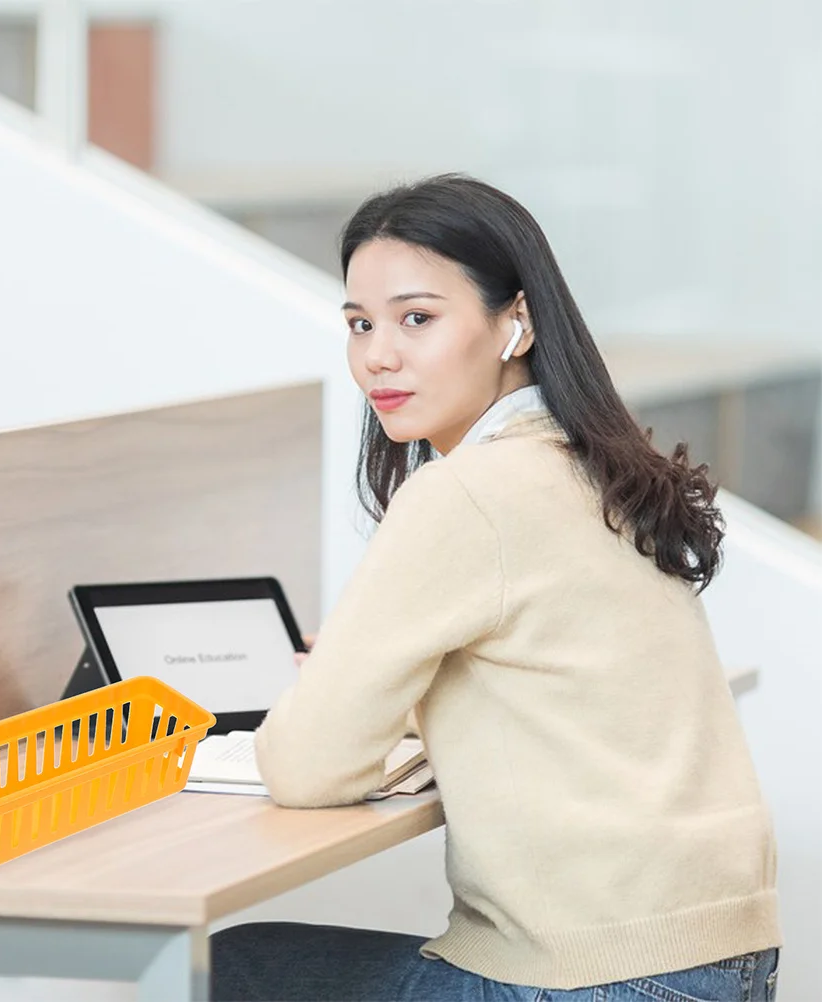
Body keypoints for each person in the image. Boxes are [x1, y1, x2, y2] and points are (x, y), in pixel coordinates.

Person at [211, 175, 781, 1001]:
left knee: (231, 967)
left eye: (418, 318)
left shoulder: (466, 493)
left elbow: (303, 767)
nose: (378, 354)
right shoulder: (595, 465)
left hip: (594, 977)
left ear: (514, 321)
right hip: (722, 962)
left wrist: (342, 687)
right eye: (359, 324)